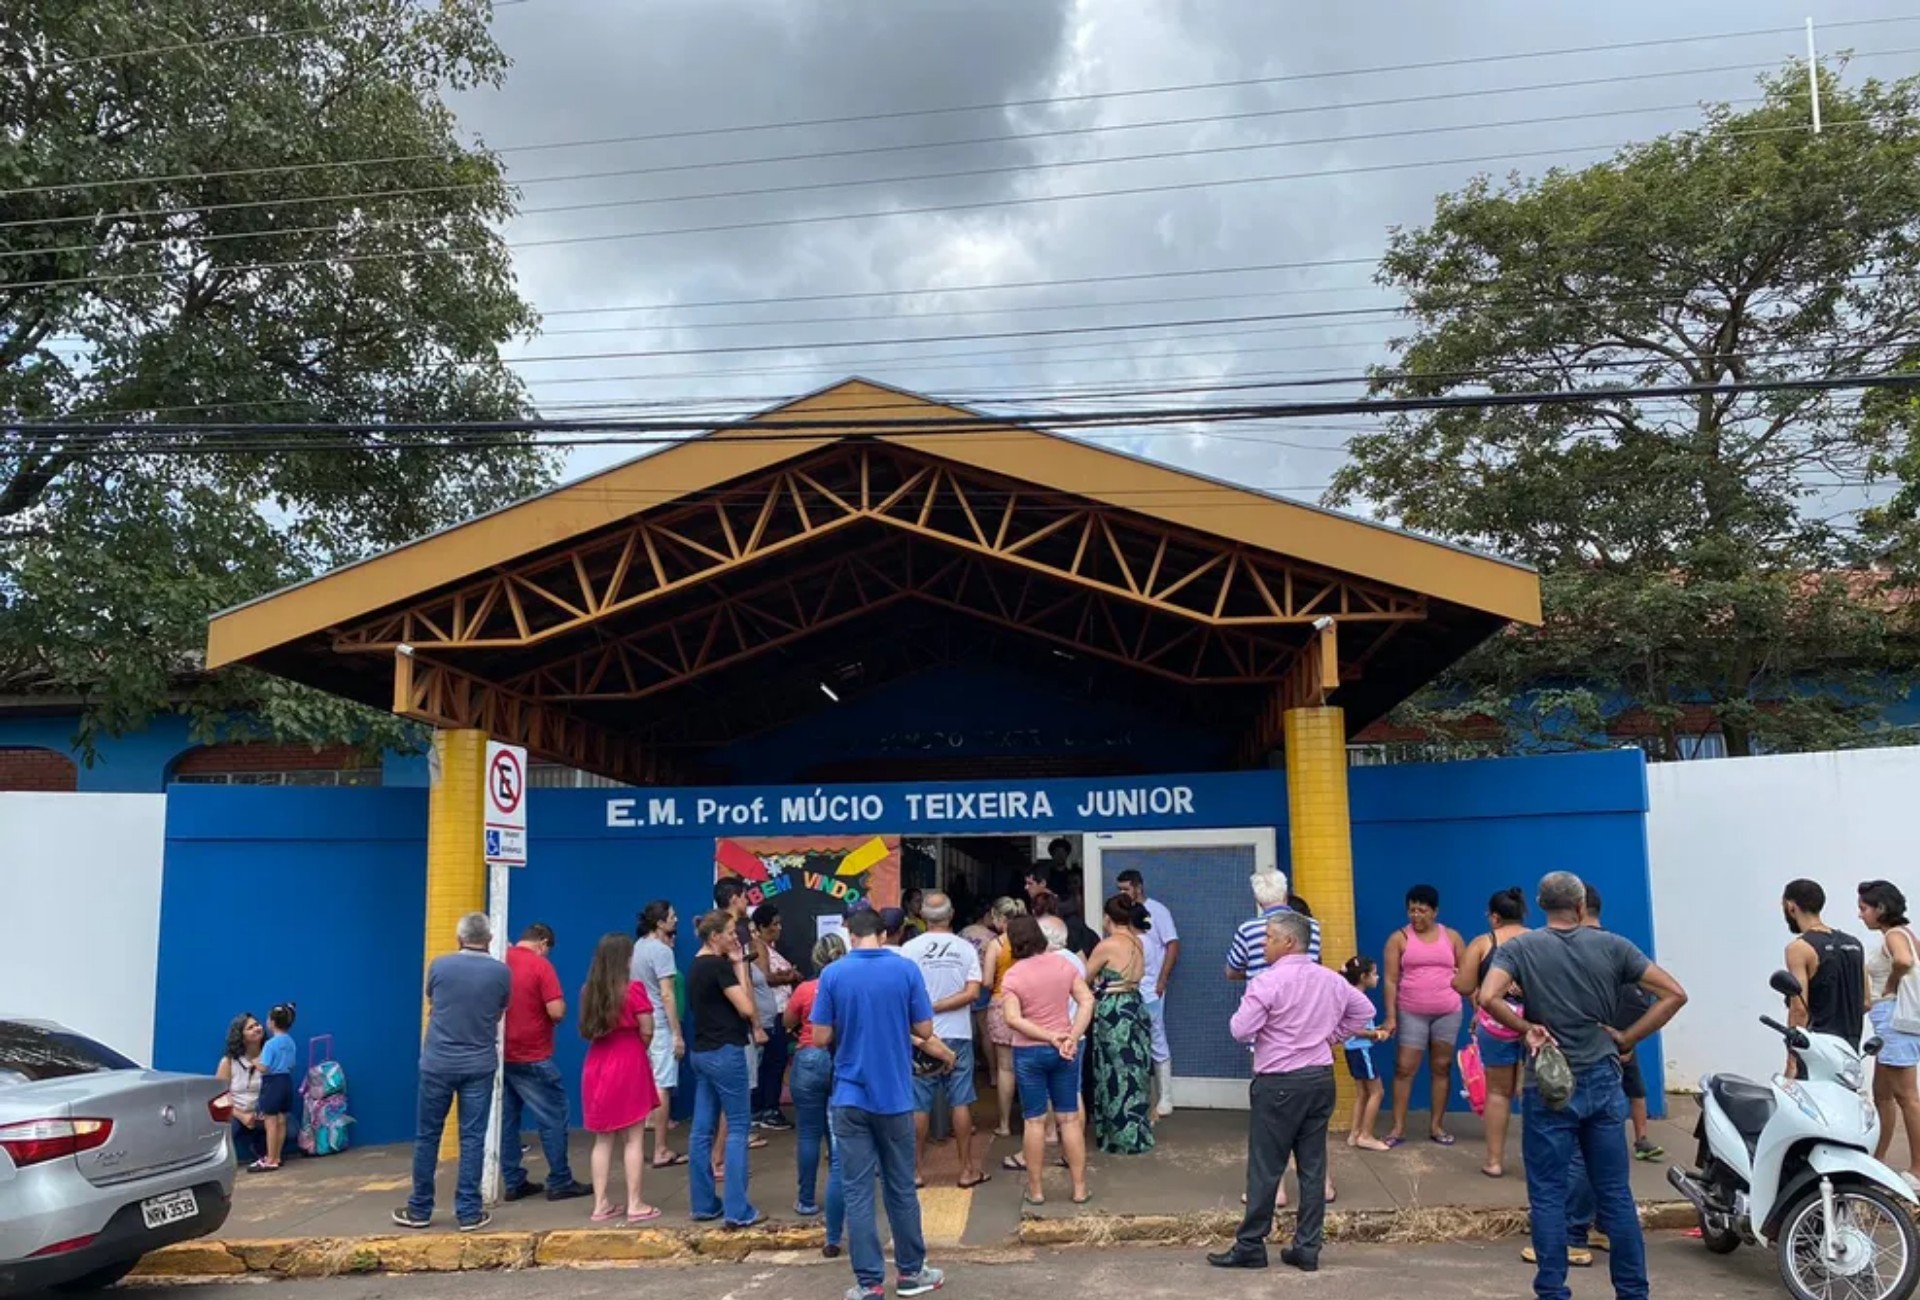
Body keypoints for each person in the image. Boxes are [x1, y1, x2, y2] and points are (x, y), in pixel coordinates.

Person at [1479, 871, 1688, 1300]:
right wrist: (1629, 1037)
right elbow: (1674, 994)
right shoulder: (1614, 946)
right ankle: (1633, 1291)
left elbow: (1486, 997)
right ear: (1579, 907)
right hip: (1603, 1079)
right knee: (1614, 1192)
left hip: (1549, 1084)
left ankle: (1553, 1291)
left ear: (1542, 907)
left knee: (1549, 1194)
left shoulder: (1522, 947)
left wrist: (1526, 1028)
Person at [1207, 912, 1375, 1274]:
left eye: (1269, 938)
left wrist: (1270, 1026)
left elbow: (1240, 1029)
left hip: (1279, 1080)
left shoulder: (1268, 982)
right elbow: (1365, 1009)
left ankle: (1251, 1243)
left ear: (1288, 942)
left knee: (1266, 1166)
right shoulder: (1329, 978)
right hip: (1319, 1076)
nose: (1263, 944)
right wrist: (1332, 1036)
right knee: (1313, 1166)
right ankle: (1307, 1246)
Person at [811, 907, 950, 1300]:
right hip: (894, 1096)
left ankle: (869, 1282)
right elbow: (924, 1029)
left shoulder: (833, 974)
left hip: (849, 1096)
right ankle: (910, 1273)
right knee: (901, 1186)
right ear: (884, 935)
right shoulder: (905, 970)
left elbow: (820, 1038)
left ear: (849, 934)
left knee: (857, 1190)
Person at [393, 913, 511, 1232]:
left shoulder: (440, 966)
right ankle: (469, 1212)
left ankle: (420, 1208)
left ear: (460, 938)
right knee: (472, 1138)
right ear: (488, 939)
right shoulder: (501, 973)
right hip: (479, 1064)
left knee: (427, 1135)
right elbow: (499, 1011)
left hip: (438, 1062)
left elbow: (433, 1001)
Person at [999, 915, 1095, 1206]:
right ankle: (1079, 1189)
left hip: (1029, 1052)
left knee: (1035, 1121)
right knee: (1069, 1119)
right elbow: (1087, 1000)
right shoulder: (1063, 964)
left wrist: (1047, 1036)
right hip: (1065, 1050)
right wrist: (1069, 1035)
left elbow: (1012, 1019)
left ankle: (1036, 1190)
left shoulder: (1013, 976)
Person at [899, 891, 989, 1189]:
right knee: (960, 1100)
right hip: (958, 1033)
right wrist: (940, 1006)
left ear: (923, 916)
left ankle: (914, 1172)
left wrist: (927, 1009)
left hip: (921, 1036)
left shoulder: (908, 949)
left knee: (918, 1104)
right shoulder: (964, 949)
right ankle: (966, 1170)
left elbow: (902, 994)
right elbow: (973, 993)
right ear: (951, 916)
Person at [501, 922, 592, 1202]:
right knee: (553, 1116)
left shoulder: (500, 960)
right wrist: (562, 1010)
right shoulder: (541, 966)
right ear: (543, 943)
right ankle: (560, 1179)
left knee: (507, 1120)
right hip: (533, 1055)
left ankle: (513, 1180)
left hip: (502, 1054)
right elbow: (555, 1010)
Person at [687, 909, 765, 1227]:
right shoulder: (719, 967)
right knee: (737, 1127)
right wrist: (738, 966)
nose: (736, 937)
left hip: (702, 1052)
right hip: (726, 1051)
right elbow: (747, 1008)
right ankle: (738, 1208)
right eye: (731, 931)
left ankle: (704, 1202)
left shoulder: (694, 966)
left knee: (701, 1130)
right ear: (714, 936)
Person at [579, 932, 662, 1223]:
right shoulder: (633, 989)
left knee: (603, 1140)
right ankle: (634, 1203)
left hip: (597, 1062)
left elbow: (585, 1028)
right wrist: (640, 1049)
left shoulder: (589, 991)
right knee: (634, 1138)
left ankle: (600, 1204)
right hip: (628, 1060)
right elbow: (647, 1029)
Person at [1382, 883, 1466, 1146]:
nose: (1416, 916)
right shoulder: (1398, 939)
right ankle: (1397, 1128)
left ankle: (1436, 1127)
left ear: (1435, 911)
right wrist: (1391, 1016)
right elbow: (1391, 981)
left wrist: (1478, 1009)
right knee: (1404, 1068)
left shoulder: (1451, 937)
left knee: (1442, 1067)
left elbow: (1466, 975)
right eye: (1412, 910)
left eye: (1422, 910)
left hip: (1448, 1012)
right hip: (1411, 1012)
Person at [1454, 887, 1530, 1178]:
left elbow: (1462, 985)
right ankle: (1538, 1160)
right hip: (1536, 1024)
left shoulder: (1483, 944)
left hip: (1496, 1025)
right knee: (1536, 1093)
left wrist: (1467, 986)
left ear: (1495, 917)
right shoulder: (1540, 940)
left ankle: (1495, 1161)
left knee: (1498, 1093)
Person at [1584, 886, 1662, 1163]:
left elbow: (1664, 995)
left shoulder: (1579, 949)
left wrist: (1627, 1039)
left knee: (1626, 1091)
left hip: (1602, 1037)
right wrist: (1630, 1037)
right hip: (1618, 1035)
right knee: (1629, 1091)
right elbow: (1663, 993)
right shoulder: (1621, 947)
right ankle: (1634, 1140)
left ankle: (1638, 1139)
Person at [786, 932, 848, 1255]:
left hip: (808, 1058)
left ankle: (807, 1200)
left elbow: (787, 1019)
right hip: (839, 1060)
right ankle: (841, 1201)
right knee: (838, 1140)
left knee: (808, 1133)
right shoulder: (845, 985)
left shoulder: (805, 989)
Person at [1858, 880, 1920, 1188]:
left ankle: (1918, 1169)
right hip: (1890, 1021)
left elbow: (1905, 962)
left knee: (1907, 1096)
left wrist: (1893, 984)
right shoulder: (1905, 934)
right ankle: (1878, 1159)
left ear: (1881, 909)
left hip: (1894, 1021)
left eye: (1864, 908)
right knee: (1882, 1092)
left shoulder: (1895, 935)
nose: (1861, 915)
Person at [1083, 894, 1155, 1155]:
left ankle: (1118, 1135)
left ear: (1107, 918)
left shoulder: (1108, 945)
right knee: (1135, 1067)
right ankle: (1137, 1129)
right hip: (1135, 1003)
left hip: (1114, 1009)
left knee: (1115, 1069)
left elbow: (1085, 977)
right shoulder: (1138, 941)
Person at [1116, 868, 1180, 1117]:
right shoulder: (1124, 914)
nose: (1122, 893)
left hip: (1151, 989)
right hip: (1129, 989)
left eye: (1125, 888)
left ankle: (1165, 1097)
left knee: (1156, 1037)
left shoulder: (1158, 911)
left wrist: (1162, 980)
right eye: (1119, 889)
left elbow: (1173, 944)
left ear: (1138, 887)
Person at [632, 901, 689, 1169]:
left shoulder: (639, 946)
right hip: (659, 1022)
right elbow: (667, 994)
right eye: (672, 916)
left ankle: (638, 1147)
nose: (676, 919)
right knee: (662, 1085)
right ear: (660, 922)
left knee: (644, 1081)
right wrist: (677, 1033)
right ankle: (661, 1149)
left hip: (640, 1019)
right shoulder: (662, 951)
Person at [1783, 879, 1867, 1053]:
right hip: (1849, 1049)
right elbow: (1866, 1002)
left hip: (1817, 1049)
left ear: (1791, 907)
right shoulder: (1855, 945)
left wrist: (1793, 1058)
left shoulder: (1798, 949)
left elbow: (1799, 1009)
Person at [981, 896, 1028, 1138]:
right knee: (1029, 1065)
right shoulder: (1030, 941)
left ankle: (1004, 1124)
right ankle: (1032, 1120)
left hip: (1001, 1003)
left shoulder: (997, 945)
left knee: (1005, 1068)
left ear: (1000, 918)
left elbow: (988, 981)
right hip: (1028, 1004)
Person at [751, 904, 800, 1132]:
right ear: (761, 926)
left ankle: (764, 1107)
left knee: (774, 1060)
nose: (779, 928)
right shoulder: (758, 946)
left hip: (778, 1011)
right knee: (774, 1061)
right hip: (772, 1013)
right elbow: (764, 978)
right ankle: (768, 1109)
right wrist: (789, 977)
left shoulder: (768, 947)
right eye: (774, 924)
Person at [1228, 865, 1321, 982]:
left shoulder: (1247, 929)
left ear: (1257, 899)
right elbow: (1315, 964)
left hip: (1263, 996)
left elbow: (1231, 972)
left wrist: (1254, 973)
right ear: (1285, 893)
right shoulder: (1312, 926)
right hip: (1304, 995)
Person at [1339, 958, 1391, 1151]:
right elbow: (1353, 1029)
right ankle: (1366, 1135)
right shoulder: (1357, 998)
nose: (1377, 977)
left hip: (1354, 1050)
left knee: (1362, 1093)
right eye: (1374, 973)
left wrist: (1376, 1029)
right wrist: (1376, 1034)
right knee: (1377, 1092)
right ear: (1363, 977)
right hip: (1361, 1050)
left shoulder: (1349, 996)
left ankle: (1355, 1133)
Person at [216, 1013, 267, 1168]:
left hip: (262, 1114)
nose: (257, 1029)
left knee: (290, 1129)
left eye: (257, 1025)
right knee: (227, 1130)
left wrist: (266, 1112)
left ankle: (260, 1148)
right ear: (241, 1036)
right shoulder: (228, 1062)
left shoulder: (270, 1058)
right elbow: (219, 1097)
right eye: (250, 1027)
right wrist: (242, 1115)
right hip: (236, 1113)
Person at [256, 1003, 297, 1173]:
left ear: (272, 1022)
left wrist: (254, 1063)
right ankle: (277, 1156)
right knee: (281, 1120)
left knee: (270, 1122)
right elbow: (293, 1064)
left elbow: (265, 1067)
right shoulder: (290, 1042)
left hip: (272, 1083)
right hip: (286, 1081)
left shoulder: (270, 1044)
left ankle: (270, 1159)